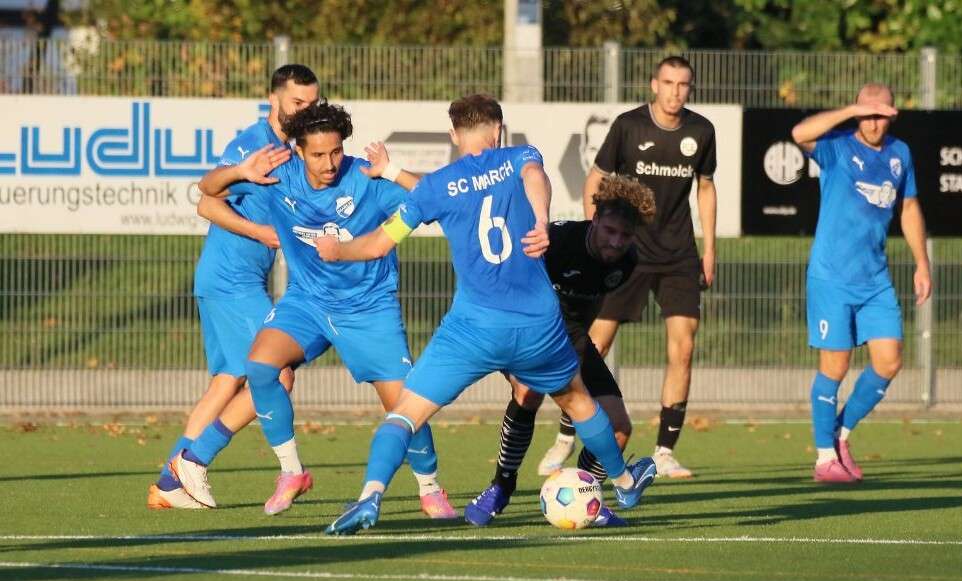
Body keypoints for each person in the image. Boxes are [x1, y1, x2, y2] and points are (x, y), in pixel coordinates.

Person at [319, 94, 657, 535]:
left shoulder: (436, 186)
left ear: (454, 135)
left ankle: (370, 496)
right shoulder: (519, 158)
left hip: (472, 329)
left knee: (404, 415)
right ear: (498, 130)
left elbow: (380, 243)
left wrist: (338, 250)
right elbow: (535, 175)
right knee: (578, 401)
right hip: (538, 325)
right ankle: (626, 482)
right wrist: (541, 219)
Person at [172, 100, 456, 519]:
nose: (330, 163)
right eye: (319, 154)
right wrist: (239, 171)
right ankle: (291, 472)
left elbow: (437, 198)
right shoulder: (278, 175)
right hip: (306, 301)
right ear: (299, 151)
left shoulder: (365, 179)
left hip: (367, 308)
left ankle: (430, 489)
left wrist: (393, 172)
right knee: (261, 366)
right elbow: (208, 190)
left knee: (404, 405)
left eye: (337, 151)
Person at [147, 64, 319, 510]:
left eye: (312, 104)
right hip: (230, 281)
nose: (305, 110)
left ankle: (169, 481)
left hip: (231, 280)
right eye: (298, 102)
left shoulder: (293, 151)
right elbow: (206, 202)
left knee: (227, 382)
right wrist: (261, 232)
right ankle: (193, 465)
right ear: (274, 99)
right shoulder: (251, 144)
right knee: (278, 369)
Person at [540, 55, 717, 480]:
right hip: (626, 253)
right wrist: (594, 243)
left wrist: (709, 250)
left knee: (684, 348)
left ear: (690, 88)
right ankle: (568, 432)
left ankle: (665, 450)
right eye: (669, 82)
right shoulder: (628, 126)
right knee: (592, 345)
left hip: (678, 255)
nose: (676, 91)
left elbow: (706, 188)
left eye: (683, 84)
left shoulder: (701, 131)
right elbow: (596, 179)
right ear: (654, 85)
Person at [464, 174, 654, 528]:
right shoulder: (558, 241)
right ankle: (500, 488)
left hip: (573, 339)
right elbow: (507, 279)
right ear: (594, 219)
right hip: (526, 328)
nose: (616, 242)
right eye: (610, 230)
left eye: (625, 236)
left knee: (619, 427)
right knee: (527, 391)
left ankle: (586, 496)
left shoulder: (627, 261)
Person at [791, 82, 932, 482]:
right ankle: (823, 460)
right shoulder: (836, 145)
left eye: (880, 114)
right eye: (867, 114)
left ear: (892, 115)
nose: (873, 122)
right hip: (831, 277)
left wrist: (922, 262)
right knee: (835, 367)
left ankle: (840, 434)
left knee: (889, 361)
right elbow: (799, 134)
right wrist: (850, 110)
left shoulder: (899, 153)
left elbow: (908, 206)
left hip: (875, 279)